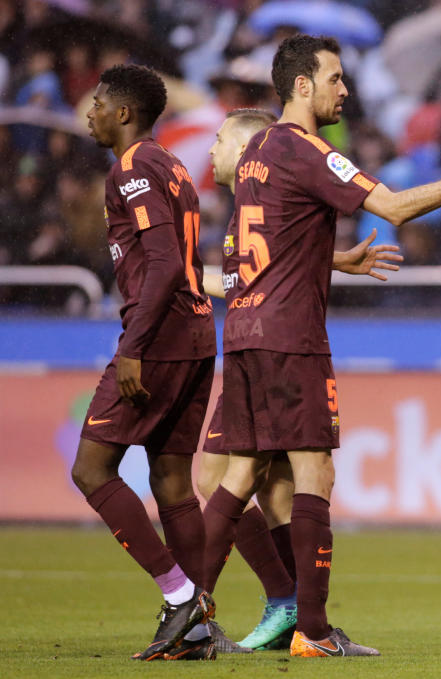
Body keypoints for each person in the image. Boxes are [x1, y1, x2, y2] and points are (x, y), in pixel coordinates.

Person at [199, 33, 441, 659]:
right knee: (313, 472)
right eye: (334, 77)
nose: (344, 89)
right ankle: (315, 632)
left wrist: (335, 262)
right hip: (290, 337)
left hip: (243, 332)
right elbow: (397, 207)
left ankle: (188, 613)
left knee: (238, 474)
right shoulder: (306, 148)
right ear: (303, 85)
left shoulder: (256, 152)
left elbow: (268, 244)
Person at [199, 107, 403, 651]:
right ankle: (292, 609)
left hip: (259, 340)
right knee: (246, 477)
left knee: (261, 480)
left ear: (245, 149)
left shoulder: (262, 179)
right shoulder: (247, 196)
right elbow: (255, 267)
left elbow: (262, 263)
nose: (211, 150)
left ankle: (274, 608)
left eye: (219, 140)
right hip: (269, 340)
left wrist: (330, 261)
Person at [72, 64, 217, 661]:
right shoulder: (172, 165)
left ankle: (182, 597)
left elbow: (162, 262)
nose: (91, 111)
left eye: (100, 102)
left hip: (158, 337)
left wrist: (132, 345)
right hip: (197, 334)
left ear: (124, 113)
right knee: (173, 481)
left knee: (91, 470)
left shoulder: (132, 169)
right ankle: (200, 627)